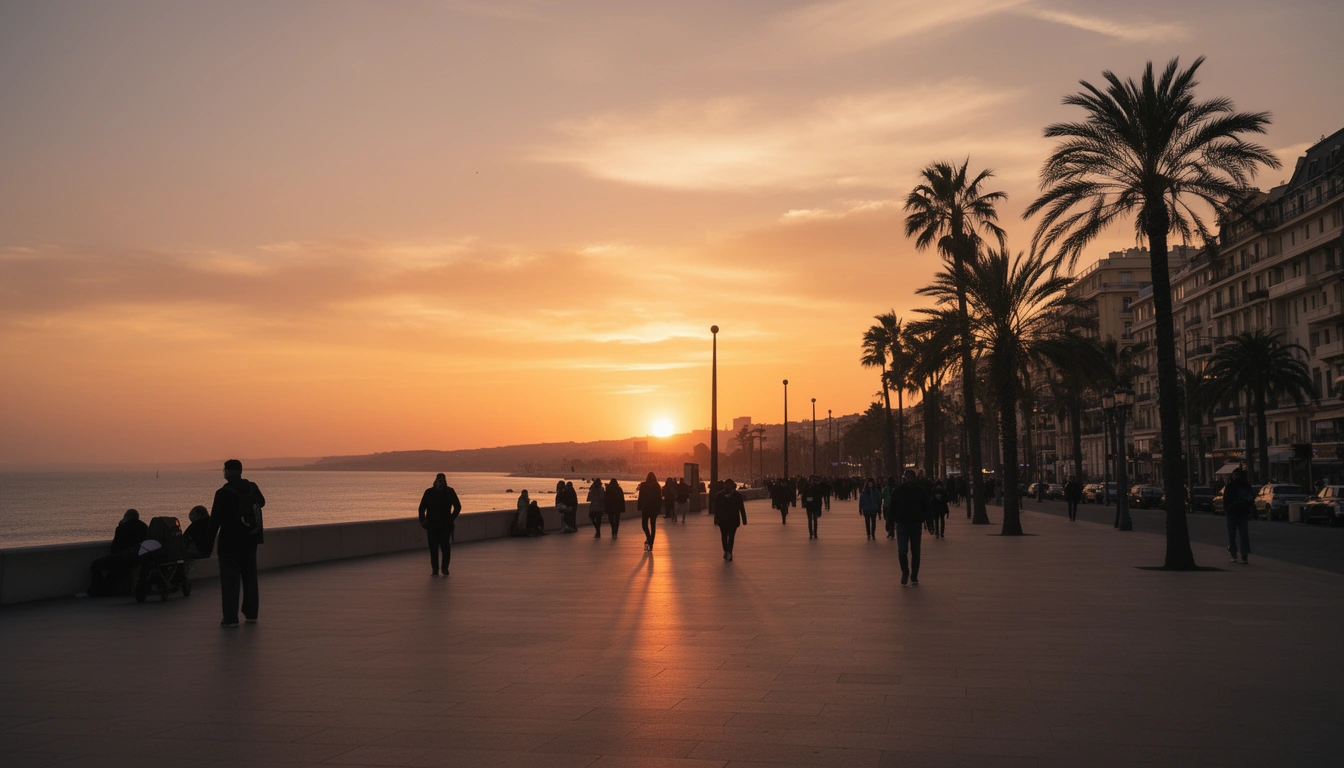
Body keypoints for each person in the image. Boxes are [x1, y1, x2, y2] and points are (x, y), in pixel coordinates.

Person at [209, 459, 266, 627]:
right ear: (240, 471)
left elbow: (214, 521)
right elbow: (262, 503)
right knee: (250, 578)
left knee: (230, 581)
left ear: (227, 472)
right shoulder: (252, 487)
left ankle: (231, 618)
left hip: (229, 542)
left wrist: (207, 543)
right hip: (250, 539)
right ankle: (251, 613)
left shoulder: (222, 492)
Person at [88, 509, 149, 596]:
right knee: (117, 570)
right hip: (139, 558)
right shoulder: (144, 527)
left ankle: (96, 590)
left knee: (96, 565)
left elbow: (116, 546)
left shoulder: (122, 528)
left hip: (124, 557)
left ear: (126, 517)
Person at [418, 473, 462, 576]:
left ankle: (445, 568)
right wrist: (423, 521)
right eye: (439, 480)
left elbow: (458, 506)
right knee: (433, 549)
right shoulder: (428, 492)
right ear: (436, 481)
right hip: (432, 525)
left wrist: (451, 518)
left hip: (445, 525)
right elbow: (421, 508)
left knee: (445, 547)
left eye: (442, 480)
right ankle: (435, 569)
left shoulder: (450, 492)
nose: (441, 482)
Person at [892, 470, 929, 586]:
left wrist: (930, 522)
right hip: (902, 524)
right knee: (902, 551)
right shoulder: (897, 491)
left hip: (915, 524)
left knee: (916, 552)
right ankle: (905, 572)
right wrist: (889, 523)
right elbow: (893, 507)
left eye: (911, 477)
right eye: (907, 477)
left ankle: (914, 575)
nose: (909, 479)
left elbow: (926, 507)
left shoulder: (920, 491)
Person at [1224, 466, 1254, 564]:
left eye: (1236, 475)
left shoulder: (1232, 486)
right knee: (1241, 534)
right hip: (1239, 512)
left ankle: (1236, 554)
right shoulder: (1245, 486)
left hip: (1236, 512)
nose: (1235, 477)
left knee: (1234, 534)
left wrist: (1228, 508)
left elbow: (1226, 500)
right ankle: (1242, 555)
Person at [714, 477, 747, 561]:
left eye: (729, 484)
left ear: (732, 485)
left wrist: (744, 519)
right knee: (724, 537)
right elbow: (716, 508)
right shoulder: (719, 495)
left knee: (731, 537)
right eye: (726, 484)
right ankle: (726, 551)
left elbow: (741, 508)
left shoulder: (737, 496)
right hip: (723, 519)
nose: (728, 486)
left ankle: (729, 552)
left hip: (733, 519)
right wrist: (716, 518)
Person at [637, 472, 662, 551]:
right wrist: (659, 509)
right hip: (654, 509)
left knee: (644, 525)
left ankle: (648, 538)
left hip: (645, 508)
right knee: (653, 525)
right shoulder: (657, 486)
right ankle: (651, 542)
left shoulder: (643, 485)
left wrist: (639, 506)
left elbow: (640, 496)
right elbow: (659, 499)